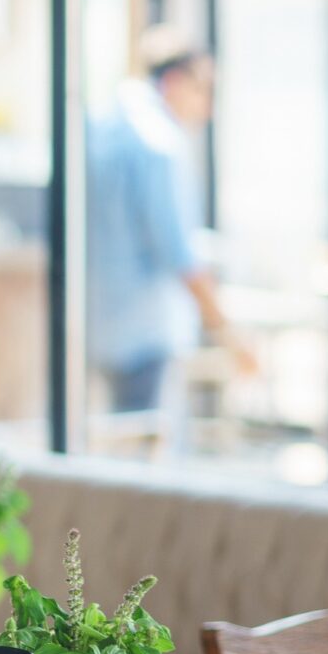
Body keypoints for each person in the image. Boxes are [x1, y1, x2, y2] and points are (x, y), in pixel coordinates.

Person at [86, 28, 249, 421]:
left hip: (97, 325)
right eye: (203, 89)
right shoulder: (158, 144)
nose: (207, 107)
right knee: (146, 459)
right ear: (174, 82)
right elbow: (181, 255)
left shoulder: (102, 125)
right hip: (145, 334)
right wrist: (230, 335)